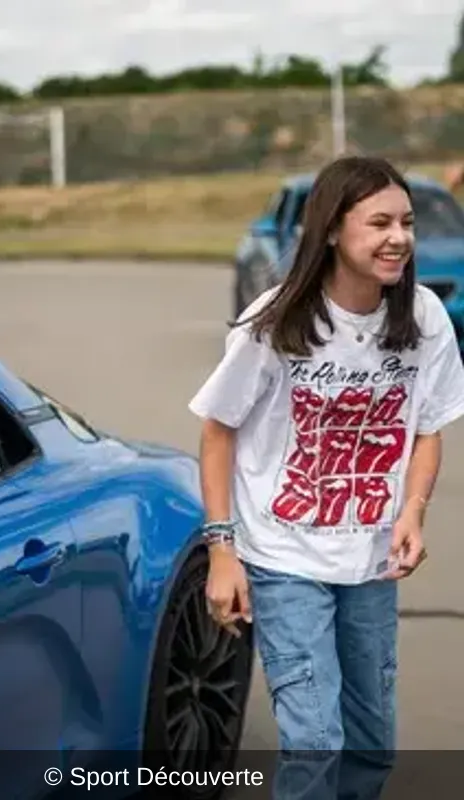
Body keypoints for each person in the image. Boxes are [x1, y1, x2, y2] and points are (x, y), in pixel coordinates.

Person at [187, 155, 464, 799]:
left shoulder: (422, 316)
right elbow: (218, 432)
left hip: (370, 561)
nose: (399, 237)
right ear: (333, 230)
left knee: (370, 743)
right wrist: (222, 551)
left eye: (407, 222)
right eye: (379, 223)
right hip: (283, 558)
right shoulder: (278, 318)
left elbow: (427, 429)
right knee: (315, 741)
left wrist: (413, 511)